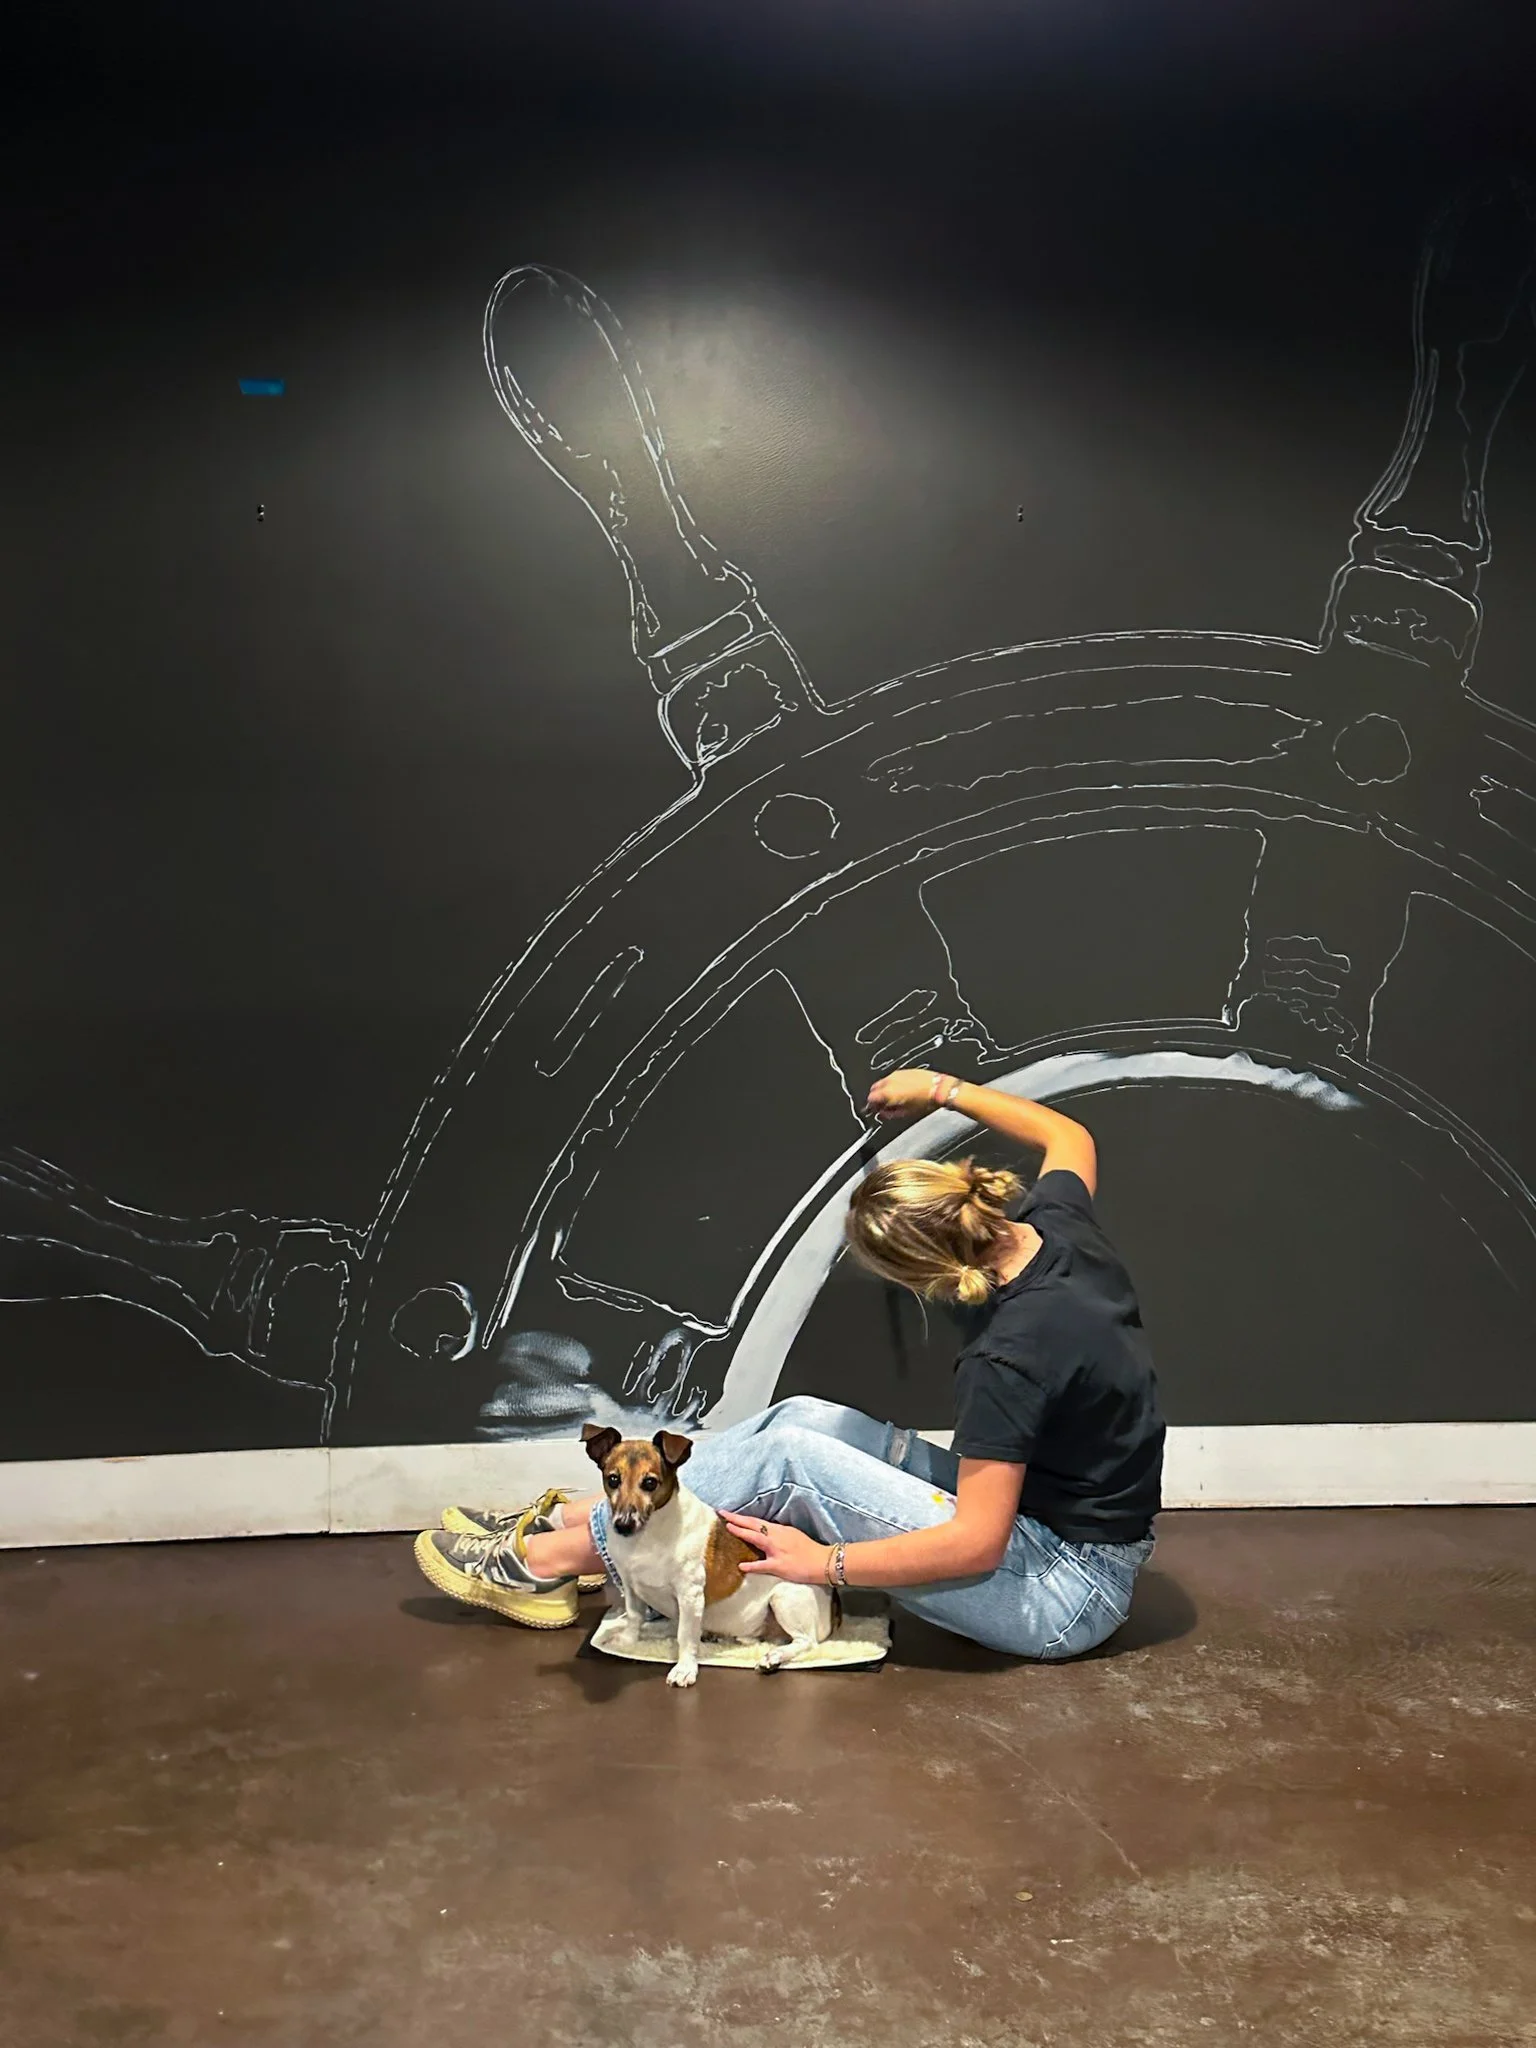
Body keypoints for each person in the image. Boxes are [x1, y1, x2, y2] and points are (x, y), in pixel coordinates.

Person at [412, 1071, 1164, 1660]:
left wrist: (825, 1564)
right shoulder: (1057, 1229)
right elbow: (1069, 1133)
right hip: (1058, 1532)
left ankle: (547, 1562)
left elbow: (977, 1543)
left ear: (927, 1272)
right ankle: (586, 1519)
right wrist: (941, 1088)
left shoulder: (1008, 1357)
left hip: (1063, 1593)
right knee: (803, 1420)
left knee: (789, 1465)